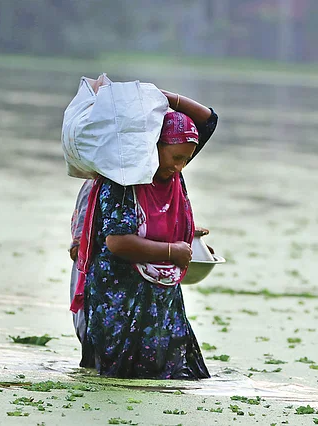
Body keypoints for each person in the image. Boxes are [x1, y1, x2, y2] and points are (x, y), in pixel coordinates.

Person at [68, 90, 217, 379]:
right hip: (119, 298)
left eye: (186, 159)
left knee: (173, 374)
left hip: (159, 294)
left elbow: (208, 120)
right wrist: (172, 252)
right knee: (122, 377)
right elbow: (117, 241)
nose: (180, 167)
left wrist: (160, 98)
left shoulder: (171, 168)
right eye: (175, 158)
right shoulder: (125, 178)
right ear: (152, 144)